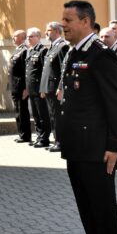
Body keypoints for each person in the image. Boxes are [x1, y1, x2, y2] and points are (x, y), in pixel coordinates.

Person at [59, 0, 117, 234]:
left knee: (102, 210)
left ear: (86, 21)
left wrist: (115, 146)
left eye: (68, 20)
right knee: (87, 209)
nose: (63, 25)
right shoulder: (75, 53)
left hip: (98, 149)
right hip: (77, 146)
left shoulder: (101, 56)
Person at [39, 22, 69, 152]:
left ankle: (60, 142)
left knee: (57, 116)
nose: (46, 33)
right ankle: (57, 140)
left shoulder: (62, 47)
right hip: (48, 88)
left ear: (57, 31)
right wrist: (43, 88)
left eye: (48, 30)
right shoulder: (51, 47)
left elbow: (64, 69)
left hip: (56, 88)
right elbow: (46, 70)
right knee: (52, 115)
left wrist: (61, 87)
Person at [25, 28, 50, 147]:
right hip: (31, 88)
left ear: (38, 37)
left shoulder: (42, 51)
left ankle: (44, 138)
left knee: (42, 114)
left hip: (39, 88)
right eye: (28, 36)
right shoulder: (30, 51)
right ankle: (39, 136)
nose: (28, 39)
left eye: (31, 36)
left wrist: (43, 88)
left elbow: (44, 72)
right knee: (35, 114)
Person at [8, 30, 32, 143]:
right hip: (14, 85)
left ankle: (25, 135)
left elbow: (26, 71)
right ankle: (21, 133)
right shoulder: (18, 49)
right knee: (18, 111)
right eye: (13, 36)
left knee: (22, 111)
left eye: (15, 36)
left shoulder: (25, 50)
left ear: (23, 37)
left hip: (21, 86)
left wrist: (26, 89)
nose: (13, 38)